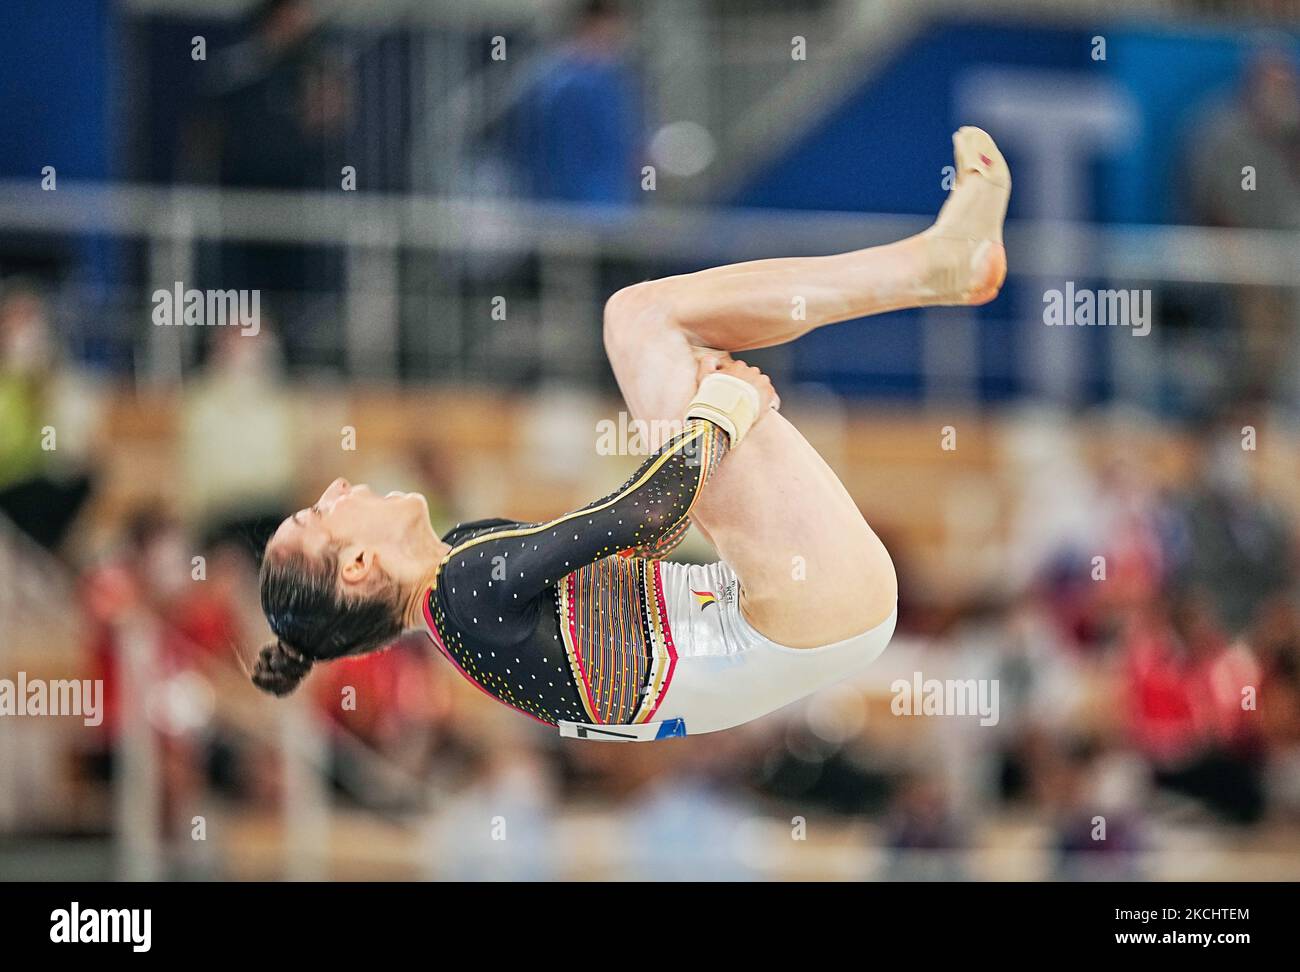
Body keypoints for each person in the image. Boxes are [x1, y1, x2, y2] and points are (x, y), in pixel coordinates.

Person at [252, 128, 1011, 741]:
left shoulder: (465, 585)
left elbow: (639, 539)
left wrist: (706, 411)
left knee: (649, 326)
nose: (334, 490)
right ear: (356, 565)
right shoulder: (466, 590)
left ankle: (933, 270)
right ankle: (934, 267)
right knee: (641, 320)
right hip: (804, 607)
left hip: (796, 611)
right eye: (320, 514)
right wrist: (719, 415)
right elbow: (643, 519)